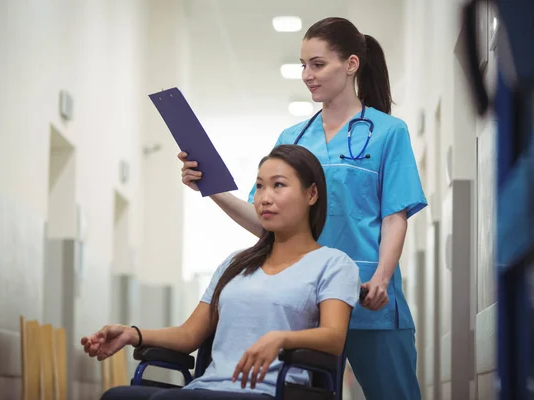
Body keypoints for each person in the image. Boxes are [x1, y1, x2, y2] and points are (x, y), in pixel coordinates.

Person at [179, 17, 427, 400]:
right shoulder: (292, 139)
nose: (307, 75)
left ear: (351, 65)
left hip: (368, 297)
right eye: (303, 65)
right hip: (309, 305)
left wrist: (382, 276)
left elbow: (395, 215)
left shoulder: (388, 132)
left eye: (317, 64)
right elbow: (265, 220)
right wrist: (209, 188)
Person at [82, 145, 361, 400]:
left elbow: (334, 338)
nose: (265, 198)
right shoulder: (235, 264)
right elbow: (189, 334)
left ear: (311, 194)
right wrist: (132, 334)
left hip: (274, 391)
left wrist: (280, 338)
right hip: (210, 387)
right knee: (117, 396)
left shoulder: (334, 264)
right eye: (260, 187)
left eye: (278, 186)